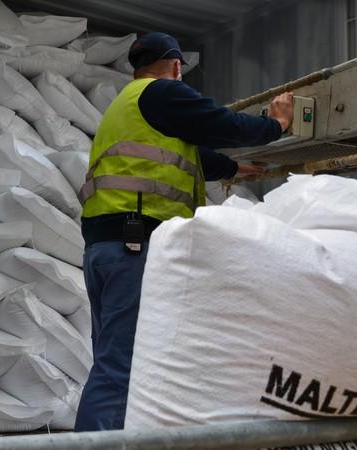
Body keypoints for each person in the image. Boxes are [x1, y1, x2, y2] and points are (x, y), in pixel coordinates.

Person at [74, 32, 294, 432]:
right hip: (133, 249)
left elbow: (179, 155)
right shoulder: (163, 94)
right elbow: (225, 124)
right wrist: (275, 124)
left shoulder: (129, 106)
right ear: (177, 66)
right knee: (120, 370)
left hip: (106, 248)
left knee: (112, 362)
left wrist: (231, 169)